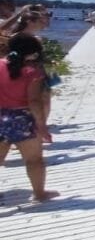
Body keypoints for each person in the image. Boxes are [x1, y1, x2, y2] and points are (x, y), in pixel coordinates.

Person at [0, 34, 58, 201]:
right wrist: (42, 126)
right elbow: (34, 101)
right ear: (33, 53)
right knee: (34, 160)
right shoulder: (33, 72)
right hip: (21, 118)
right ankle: (39, 193)